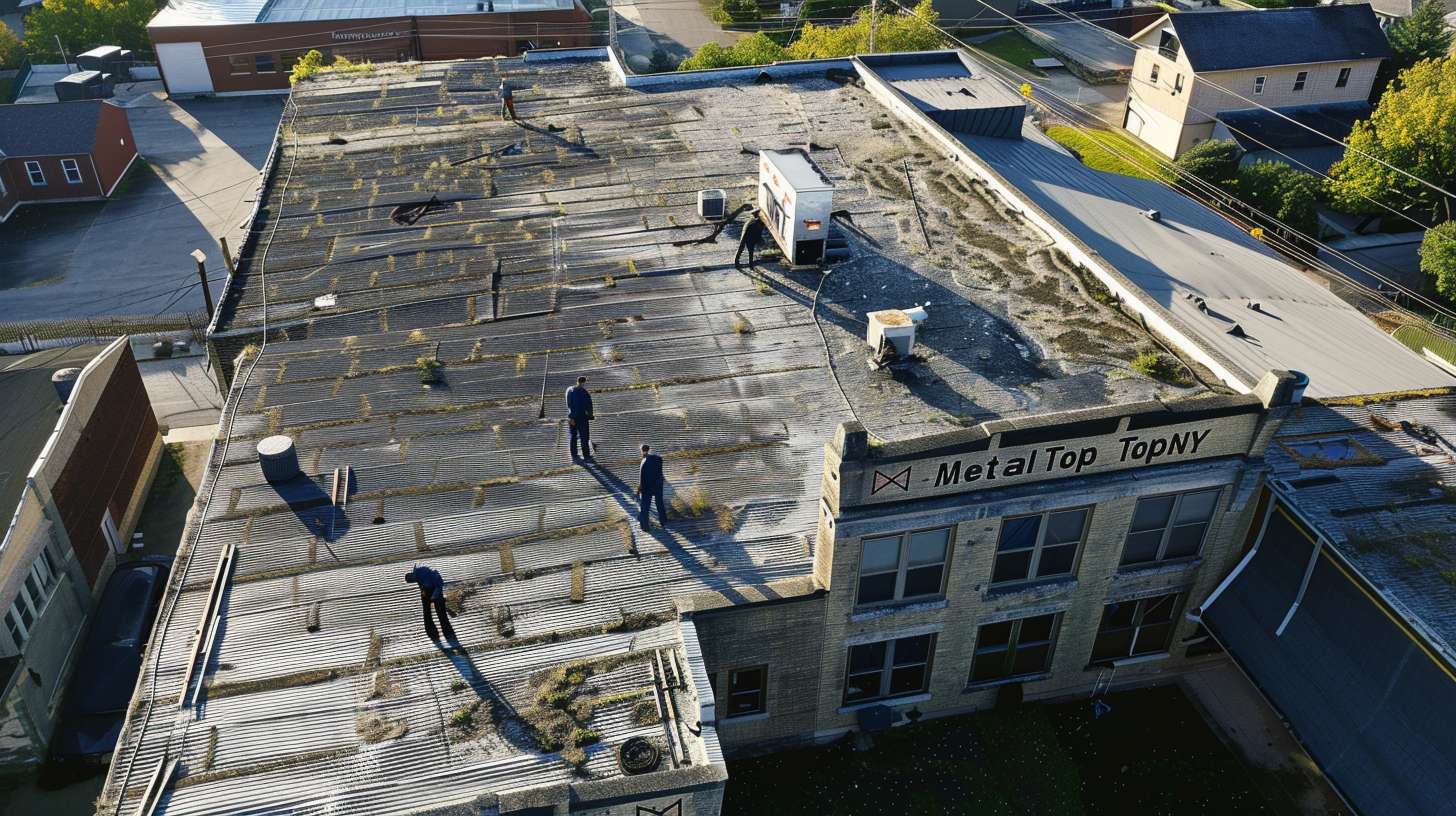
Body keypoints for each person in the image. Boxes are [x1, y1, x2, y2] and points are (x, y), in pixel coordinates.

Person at [405, 564, 456, 642]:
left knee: (440, 613)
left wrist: (434, 597)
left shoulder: (424, 575)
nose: (413, 581)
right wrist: (424, 594)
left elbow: (437, 586)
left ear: (412, 575)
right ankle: (433, 632)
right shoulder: (418, 575)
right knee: (427, 612)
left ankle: (447, 633)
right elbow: (421, 586)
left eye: (412, 580)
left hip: (435, 587)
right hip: (427, 589)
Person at [636, 444, 667, 531]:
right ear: (649, 449)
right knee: (659, 503)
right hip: (658, 485)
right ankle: (663, 520)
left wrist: (639, 489)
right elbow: (660, 473)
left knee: (645, 506)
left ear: (641, 451)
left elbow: (642, 478)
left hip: (647, 487)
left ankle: (645, 526)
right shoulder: (658, 458)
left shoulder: (643, 462)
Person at [566, 376, 594, 461]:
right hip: (582, 417)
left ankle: (574, 455)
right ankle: (586, 455)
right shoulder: (585, 392)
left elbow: (569, 404)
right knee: (584, 436)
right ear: (584, 382)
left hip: (572, 417)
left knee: (573, 435)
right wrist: (590, 415)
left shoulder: (569, 390)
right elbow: (589, 406)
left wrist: (571, 416)